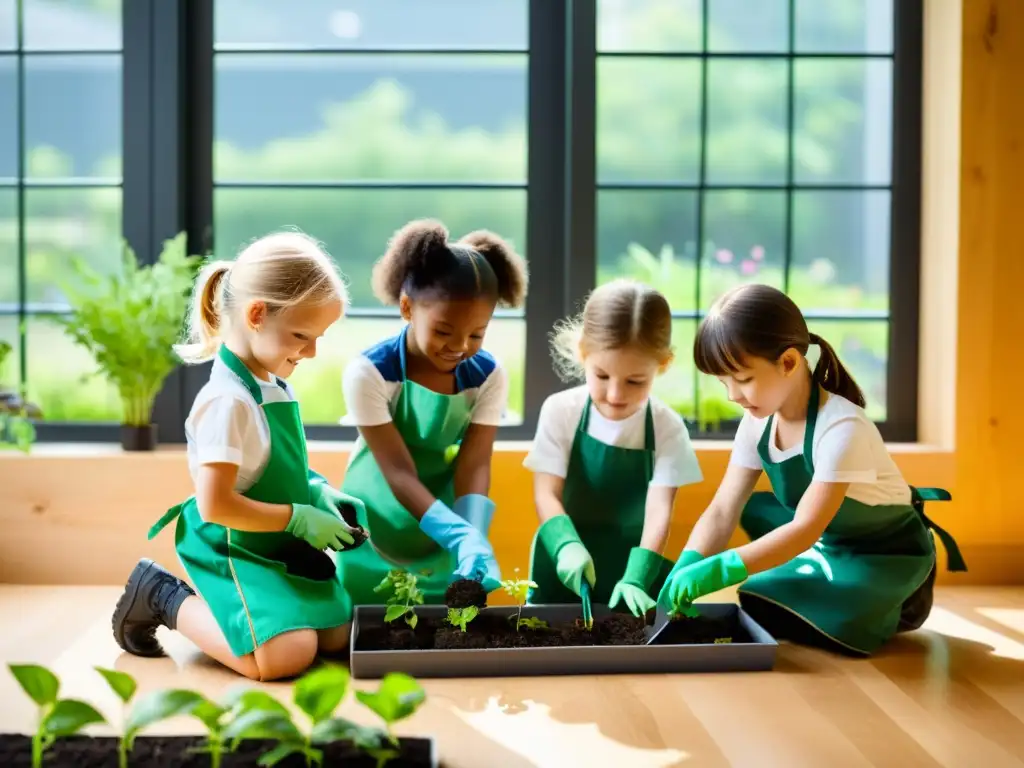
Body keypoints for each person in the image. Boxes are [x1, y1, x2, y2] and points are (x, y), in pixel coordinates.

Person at [658, 283, 967, 656]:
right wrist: (689, 561)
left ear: (788, 362)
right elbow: (724, 508)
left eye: (742, 380)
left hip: (888, 553)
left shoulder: (841, 427)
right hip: (831, 548)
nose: (732, 396)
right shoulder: (756, 422)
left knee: (844, 624)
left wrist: (720, 569)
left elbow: (805, 528)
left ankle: (904, 602)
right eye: (724, 383)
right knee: (756, 596)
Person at [112, 231, 366, 681]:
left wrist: (320, 493)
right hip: (235, 545)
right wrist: (298, 519)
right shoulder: (227, 402)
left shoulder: (271, 383)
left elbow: (274, 467)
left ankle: (253, 617)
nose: (311, 352)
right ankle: (163, 596)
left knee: (337, 636)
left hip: (277, 543)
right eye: (302, 336)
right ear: (255, 315)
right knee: (285, 658)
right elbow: (216, 505)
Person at [337, 219, 529, 605]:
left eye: (477, 334)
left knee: (446, 617)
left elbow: (474, 463)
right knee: (363, 618)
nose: (459, 346)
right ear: (407, 308)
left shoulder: (488, 375)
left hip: (443, 507)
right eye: (443, 331)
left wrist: (472, 533)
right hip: (377, 506)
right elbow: (398, 471)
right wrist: (456, 533)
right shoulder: (370, 372)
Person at [524, 279, 703, 616]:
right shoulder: (560, 411)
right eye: (602, 376)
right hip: (561, 564)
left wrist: (637, 578)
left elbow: (659, 511)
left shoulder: (667, 427)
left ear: (663, 364)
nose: (615, 395)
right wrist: (565, 547)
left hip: (632, 564)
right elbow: (545, 493)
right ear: (583, 353)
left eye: (635, 381)